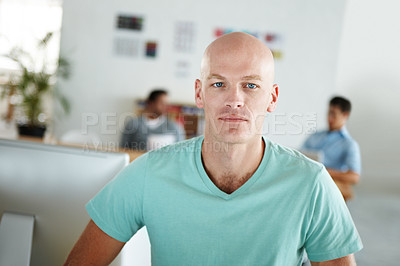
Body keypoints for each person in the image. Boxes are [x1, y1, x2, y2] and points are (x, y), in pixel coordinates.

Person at [65, 32, 362, 265]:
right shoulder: (146, 174)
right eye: (219, 84)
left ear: (272, 98)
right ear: (199, 92)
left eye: (251, 86)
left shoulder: (311, 184)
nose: (235, 100)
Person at [302, 97, 361, 201]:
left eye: (334, 114)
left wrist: (325, 171)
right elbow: (300, 155)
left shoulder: (349, 144)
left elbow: (354, 177)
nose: (329, 118)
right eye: (329, 113)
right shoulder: (315, 136)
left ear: (345, 115)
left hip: (327, 185)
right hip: (307, 179)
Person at [120, 89, 185, 150]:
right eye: (162, 103)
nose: (166, 107)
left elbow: (181, 150)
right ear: (150, 103)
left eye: (167, 104)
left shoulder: (174, 126)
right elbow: (123, 149)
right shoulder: (133, 124)